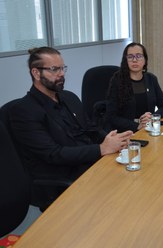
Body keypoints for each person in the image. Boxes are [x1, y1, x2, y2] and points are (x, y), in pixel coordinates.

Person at [9, 47, 133, 206]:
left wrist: (115, 141)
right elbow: (53, 154)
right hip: (64, 177)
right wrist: (101, 149)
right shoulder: (24, 111)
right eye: (54, 69)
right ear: (36, 73)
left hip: (91, 163)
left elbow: (91, 129)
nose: (61, 74)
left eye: (62, 68)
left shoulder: (69, 97)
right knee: (122, 198)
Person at [106, 42, 163, 132]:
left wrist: (152, 117)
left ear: (145, 60)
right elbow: (111, 116)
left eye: (139, 56)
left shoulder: (151, 79)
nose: (134, 60)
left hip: (148, 128)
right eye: (130, 57)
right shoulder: (117, 81)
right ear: (126, 60)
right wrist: (137, 125)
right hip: (126, 132)